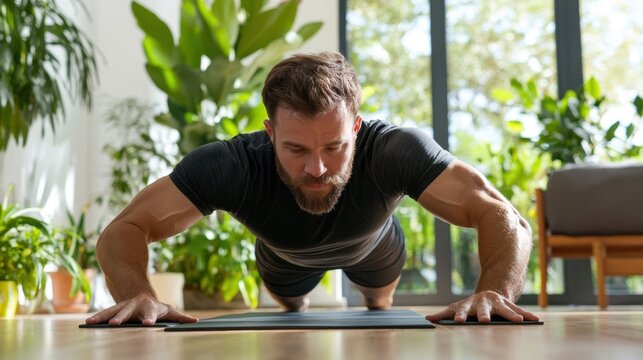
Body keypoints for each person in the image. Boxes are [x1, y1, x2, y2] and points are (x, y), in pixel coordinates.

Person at [85, 51, 539, 326]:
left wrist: (495, 290)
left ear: (357, 128)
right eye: (296, 148)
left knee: (380, 306)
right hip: (281, 258)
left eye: (335, 146)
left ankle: (376, 296)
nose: (317, 167)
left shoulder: (395, 150)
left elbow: (502, 215)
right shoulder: (230, 165)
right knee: (292, 308)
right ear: (269, 133)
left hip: (377, 248)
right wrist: (136, 294)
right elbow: (125, 228)